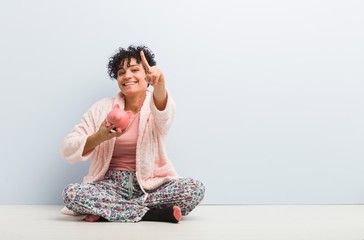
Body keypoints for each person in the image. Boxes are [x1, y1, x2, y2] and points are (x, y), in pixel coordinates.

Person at [61, 45, 205, 223]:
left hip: (150, 186)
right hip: (110, 186)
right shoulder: (102, 108)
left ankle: (110, 211)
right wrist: (100, 136)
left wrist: (160, 87)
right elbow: (67, 149)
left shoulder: (156, 104)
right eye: (121, 72)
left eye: (135, 70)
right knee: (71, 194)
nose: (127, 76)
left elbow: (164, 115)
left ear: (147, 75)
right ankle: (152, 214)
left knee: (194, 189)